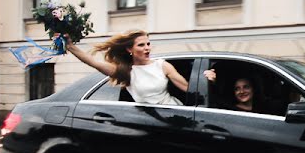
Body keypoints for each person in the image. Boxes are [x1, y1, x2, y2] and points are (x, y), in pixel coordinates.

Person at [64, 29, 215, 105]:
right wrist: (70, 46)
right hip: (148, 120)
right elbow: (92, 62)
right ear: (130, 49)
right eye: (141, 45)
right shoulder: (126, 72)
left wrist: (206, 80)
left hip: (174, 112)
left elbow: (190, 89)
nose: (147, 48)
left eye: (148, 44)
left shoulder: (163, 66)